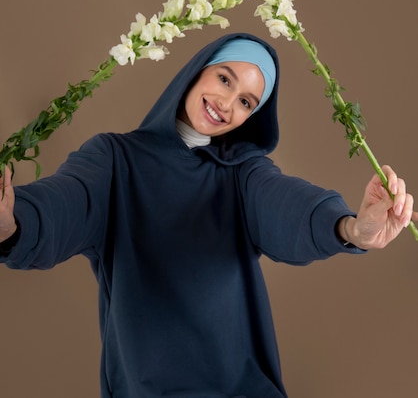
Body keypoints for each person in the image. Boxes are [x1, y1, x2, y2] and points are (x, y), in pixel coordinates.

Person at [0, 32, 415, 398]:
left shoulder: (243, 175)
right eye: (224, 79)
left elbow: (290, 206)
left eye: (246, 101)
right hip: (146, 387)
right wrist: (11, 222)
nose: (226, 103)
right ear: (198, 71)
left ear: (252, 116)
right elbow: (65, 204)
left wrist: (352, 229)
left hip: (241, 387)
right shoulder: (114, 159)